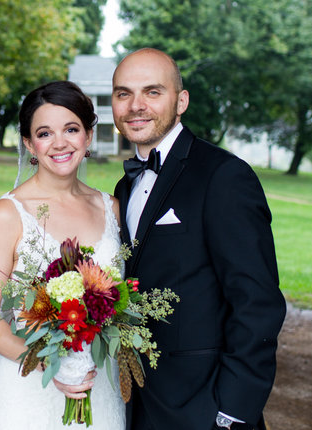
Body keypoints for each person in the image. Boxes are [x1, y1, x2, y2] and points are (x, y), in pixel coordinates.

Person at [111, 48, 286, 430]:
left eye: (152, 92)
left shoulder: (223, 176)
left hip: (204, 409)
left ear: (181, 100)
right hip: (138, 403)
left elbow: (257, 304)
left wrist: (233, 412)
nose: (136, 105)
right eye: (123, 93)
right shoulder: (123, 188)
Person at [0, 80, 126, 430]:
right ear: (29, 144)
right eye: (44, 133)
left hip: (99, 388)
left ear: (88, 137)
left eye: (71, 129)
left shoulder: (111, 208)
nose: (60, 143)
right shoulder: (7, 214)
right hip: (28, 395)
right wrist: (50, 365)